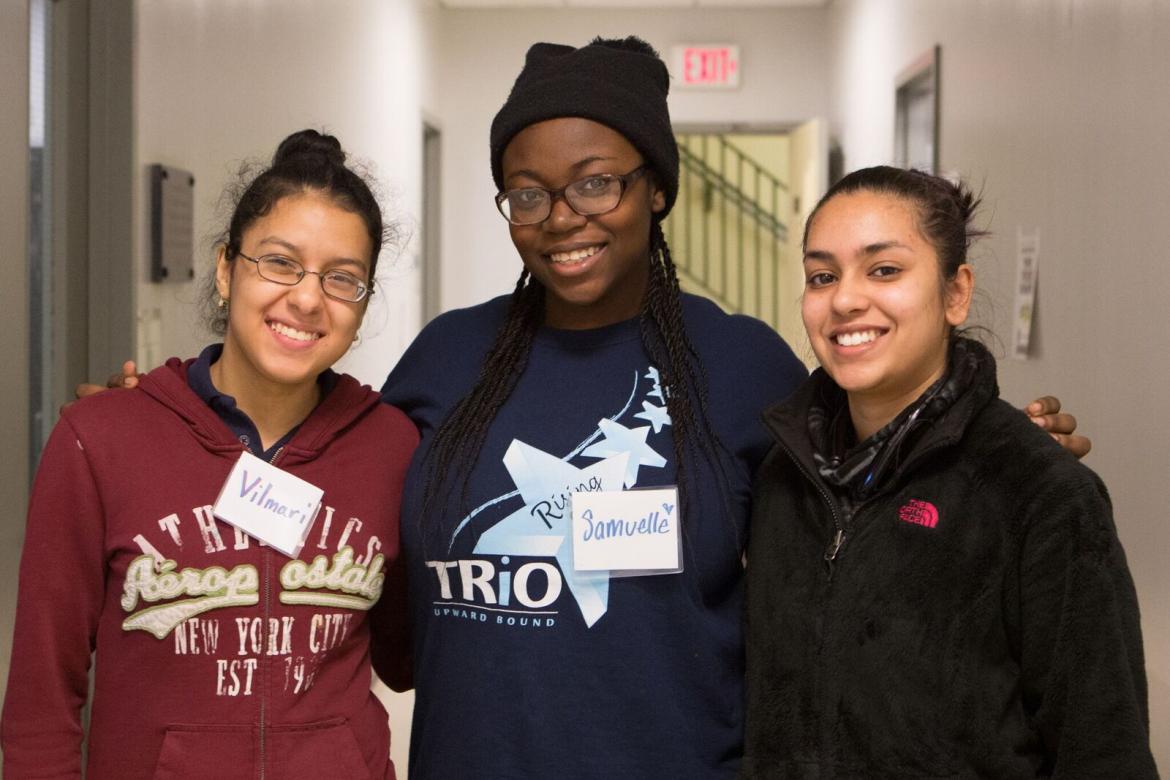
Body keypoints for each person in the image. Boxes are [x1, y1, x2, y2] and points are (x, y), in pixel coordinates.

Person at [379, 39, 1087, 778]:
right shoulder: (446, 358)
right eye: (528, 192)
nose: (560, 218)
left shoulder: (742, 367)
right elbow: (363, 520)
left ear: (656, 189)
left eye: (595, 184)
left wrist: (991, 464)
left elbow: (875, 500)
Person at [1, 130, 417, 779]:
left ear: (362, 307)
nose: (308, 298)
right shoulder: (100, 441)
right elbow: (41, 699)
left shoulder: (391, 446)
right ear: (226, 268)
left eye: (343, 279)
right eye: (279, 262)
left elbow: (406, 655)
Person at [742, 167, 1156, 777]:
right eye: (821, 276)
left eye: (884, 269)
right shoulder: (785, 477)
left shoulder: (1039, 492)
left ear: (956, 292)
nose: (846, 298)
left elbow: (1101, 749)